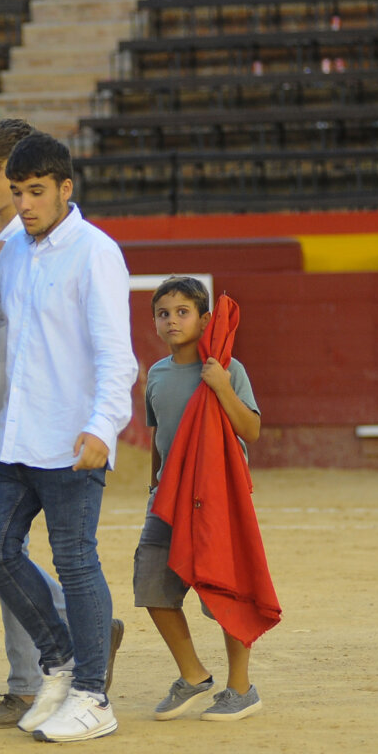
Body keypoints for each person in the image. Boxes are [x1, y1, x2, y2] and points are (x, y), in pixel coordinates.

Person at [0, 118, 126, 731]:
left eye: (37, 190)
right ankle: (62, 661)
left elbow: (117, 356)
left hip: (71, 437)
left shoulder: (96, 251)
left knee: (74, 560)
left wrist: (103, 427)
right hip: (12, 433)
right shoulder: (14, 249)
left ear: (65, 188)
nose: (26, 203)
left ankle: (93, 696)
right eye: (19, 191)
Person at [138, 276, 265, 722]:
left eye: (182, 312)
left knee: (226, 592)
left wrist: (222, 386)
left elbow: (250, 430)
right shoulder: (155, 374)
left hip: (216, 498)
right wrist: (155, 487)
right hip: (169, 499)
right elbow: (159, 438)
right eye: (163, 313)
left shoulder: (228, 368)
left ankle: (241, 688)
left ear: (205, 318)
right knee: (152, 585)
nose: (171, 320)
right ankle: (192, 675)